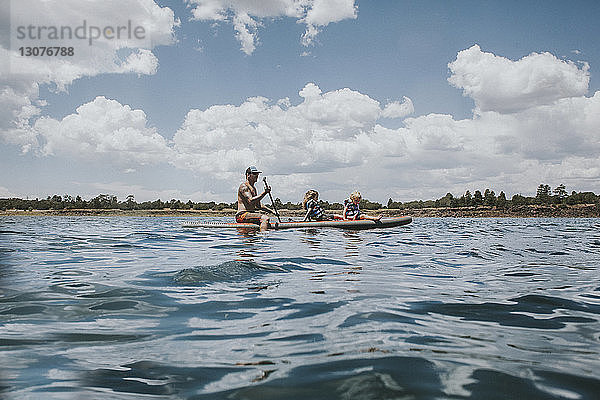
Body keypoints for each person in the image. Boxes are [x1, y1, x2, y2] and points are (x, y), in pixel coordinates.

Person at [236, 166, 274, 231]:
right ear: (248, 175)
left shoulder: (254, 188)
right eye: (254, 174)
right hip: (242, 215)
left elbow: (258, 205)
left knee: (267, 222)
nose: (257, 176)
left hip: (250, 214)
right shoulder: (244, 186)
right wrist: (264, 193)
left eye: (257, 174)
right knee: (265, 218)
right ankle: (263, 239)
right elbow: (250, 200)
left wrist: (272, 211)